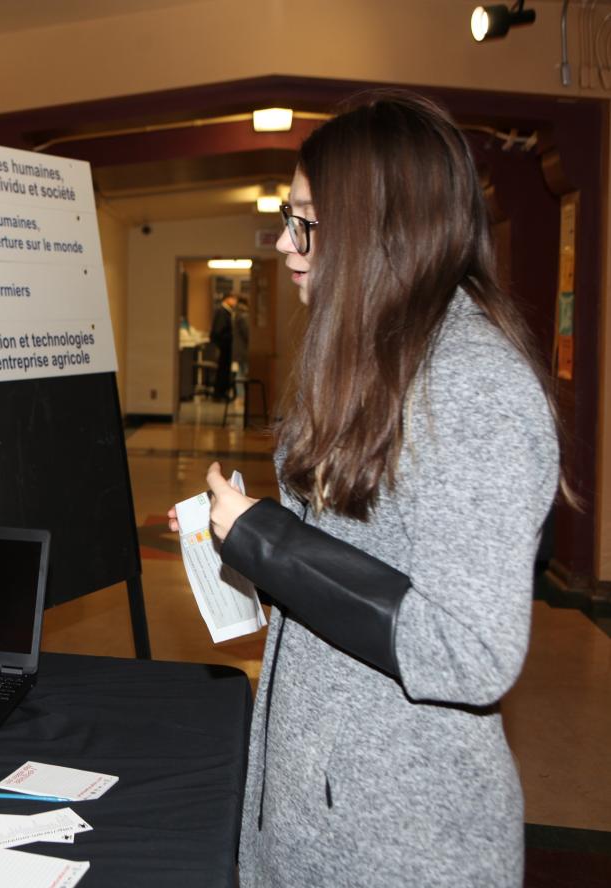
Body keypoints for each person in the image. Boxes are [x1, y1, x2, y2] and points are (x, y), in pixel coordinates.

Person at [170, 91, 560, 886]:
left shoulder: (473, 384)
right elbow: (365, 555)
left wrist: (269, 544)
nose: (284, 242)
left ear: (383, 225)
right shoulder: (371, 357)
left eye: (306, 220)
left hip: (399, 840)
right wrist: (255, 549)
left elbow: (471, 650)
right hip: (321, 801)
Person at [209, 291, 238, 400]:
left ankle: (222, 392)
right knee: (222, 370)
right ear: (227, 299)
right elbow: (219, 330)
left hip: (225, 345)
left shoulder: (226, 311)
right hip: (224, 345)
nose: (235, 302)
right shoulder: (222, 311)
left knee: (224, 370)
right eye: (233, 299)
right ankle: (219, 393)